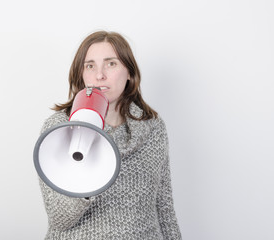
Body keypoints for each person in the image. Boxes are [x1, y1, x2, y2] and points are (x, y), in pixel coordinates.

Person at [38, 30, 182, 239]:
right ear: (81, 74)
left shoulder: (153, 127)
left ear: (129, 72)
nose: (99, 75)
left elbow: (164, 208)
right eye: (90, 66)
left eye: (111, 63)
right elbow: (59, 219)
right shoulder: (59, 128)